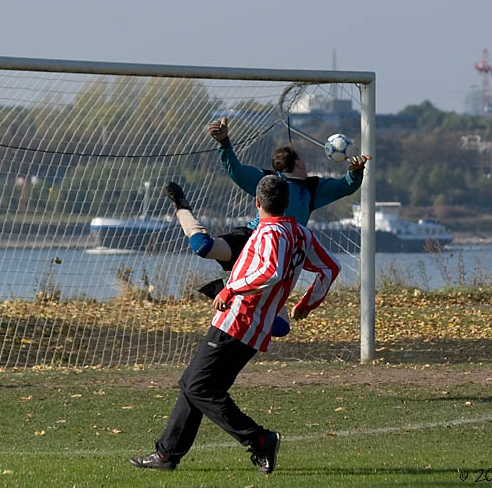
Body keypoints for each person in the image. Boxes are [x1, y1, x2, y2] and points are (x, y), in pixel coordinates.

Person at [129, 175, 341, 474]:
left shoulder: (271, 233)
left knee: (199, 388)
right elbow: (331, 268)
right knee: (194, 385)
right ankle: (167, 455)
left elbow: (270, 271)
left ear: (257, 203)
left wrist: (231, 288)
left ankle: (259, 439)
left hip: (238, 321)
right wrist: (307, 303)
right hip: (255, 327)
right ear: (287, 203)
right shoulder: (301, 233)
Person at [164, 116, 368, 333]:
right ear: (298, 163)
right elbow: (238, 171)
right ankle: (182, 208)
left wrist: (355, 172)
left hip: (281, 253)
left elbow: (345, 187)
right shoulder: (269, 182)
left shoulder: (312, 189)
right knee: (203, 247)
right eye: (302, 159)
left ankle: (227, 289)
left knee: (280, 328)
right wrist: (224, 143)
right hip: (251, 240)